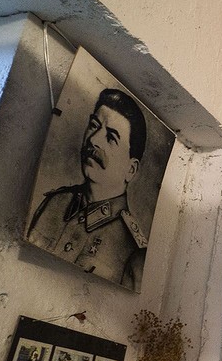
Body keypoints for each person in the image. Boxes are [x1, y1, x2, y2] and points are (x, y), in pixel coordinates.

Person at [27, 88, 149, 289]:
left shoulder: (132, 250)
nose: (93, 140)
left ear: (131, 169)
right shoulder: (54, 203)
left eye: (111, 137)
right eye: (94, 126)